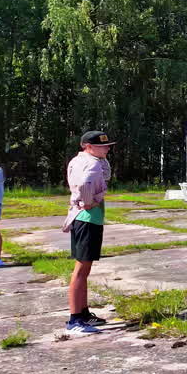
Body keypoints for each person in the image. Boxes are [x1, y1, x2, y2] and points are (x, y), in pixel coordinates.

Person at [62, 131, 114, 334]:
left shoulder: (79, 160)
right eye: (102, 146)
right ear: (87, 146)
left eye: (108, 145)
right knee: (81, 270)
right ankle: (75, 319)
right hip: (88, 218)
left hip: (79, 218)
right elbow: (84, 185)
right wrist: (89, 201)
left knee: (84, 269)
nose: (107, 148)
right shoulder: (92, 164)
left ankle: (83, 313)